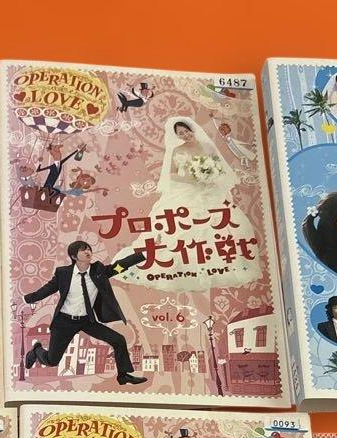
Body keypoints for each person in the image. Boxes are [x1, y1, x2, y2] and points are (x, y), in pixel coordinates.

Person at [114, 116, 263, 292]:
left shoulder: (207, 146)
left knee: (222, 222)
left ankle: (216, 266)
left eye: (186, 131)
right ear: (177, 136)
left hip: (210, 190)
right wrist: (193, 177)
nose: (185, 135)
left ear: (192, 130)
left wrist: (211, 175)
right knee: (176, 226)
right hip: (187, 190)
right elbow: (172, 174)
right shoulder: (177, 150)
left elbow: (220, 168)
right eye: (181, 133)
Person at [23, 240, 147, 385]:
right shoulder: (63, 273)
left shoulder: (98, 271)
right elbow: (47, 290)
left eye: (89, 249)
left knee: (118, 340)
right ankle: (36, 350)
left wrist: (143, 254)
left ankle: (123, 375)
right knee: (52, 361)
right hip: (64, 321)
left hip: (87, 320)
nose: (88, 251)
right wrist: (26, 299)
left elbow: (120, 266)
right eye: (83, 250)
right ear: (74, 256)